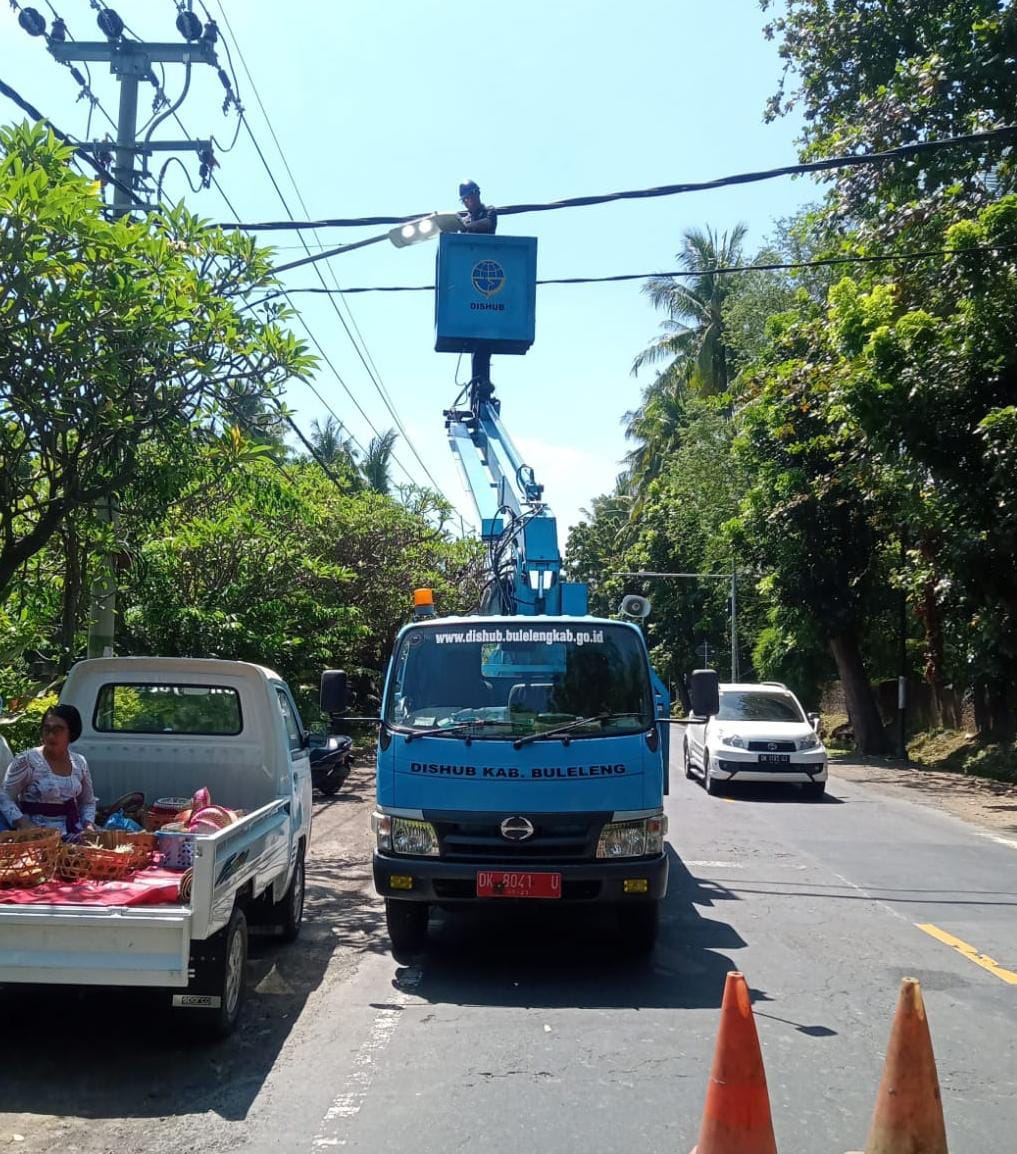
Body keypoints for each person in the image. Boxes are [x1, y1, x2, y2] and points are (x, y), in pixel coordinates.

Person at [0, 704, 96, 837]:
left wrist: (88, 824)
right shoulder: (27, 760)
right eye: (47, 729)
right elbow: (5, 797)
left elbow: (87, 802)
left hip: (73, 831)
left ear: (71, 733)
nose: (51, 736)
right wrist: (22, 823)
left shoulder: (80, 763)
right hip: (36, 836)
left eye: (58, 730)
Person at [458, 180, 499, 397]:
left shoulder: (488, 212)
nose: (468, 201)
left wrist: (466, 226)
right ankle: (479, 383)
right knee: (476, 342)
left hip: (487, 275)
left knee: (485, 338)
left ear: (477, 195)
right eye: (465, 199)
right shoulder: (464, 219)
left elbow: (487, 225)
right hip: (470, 278)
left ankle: (483, 382)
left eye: (470, 197)